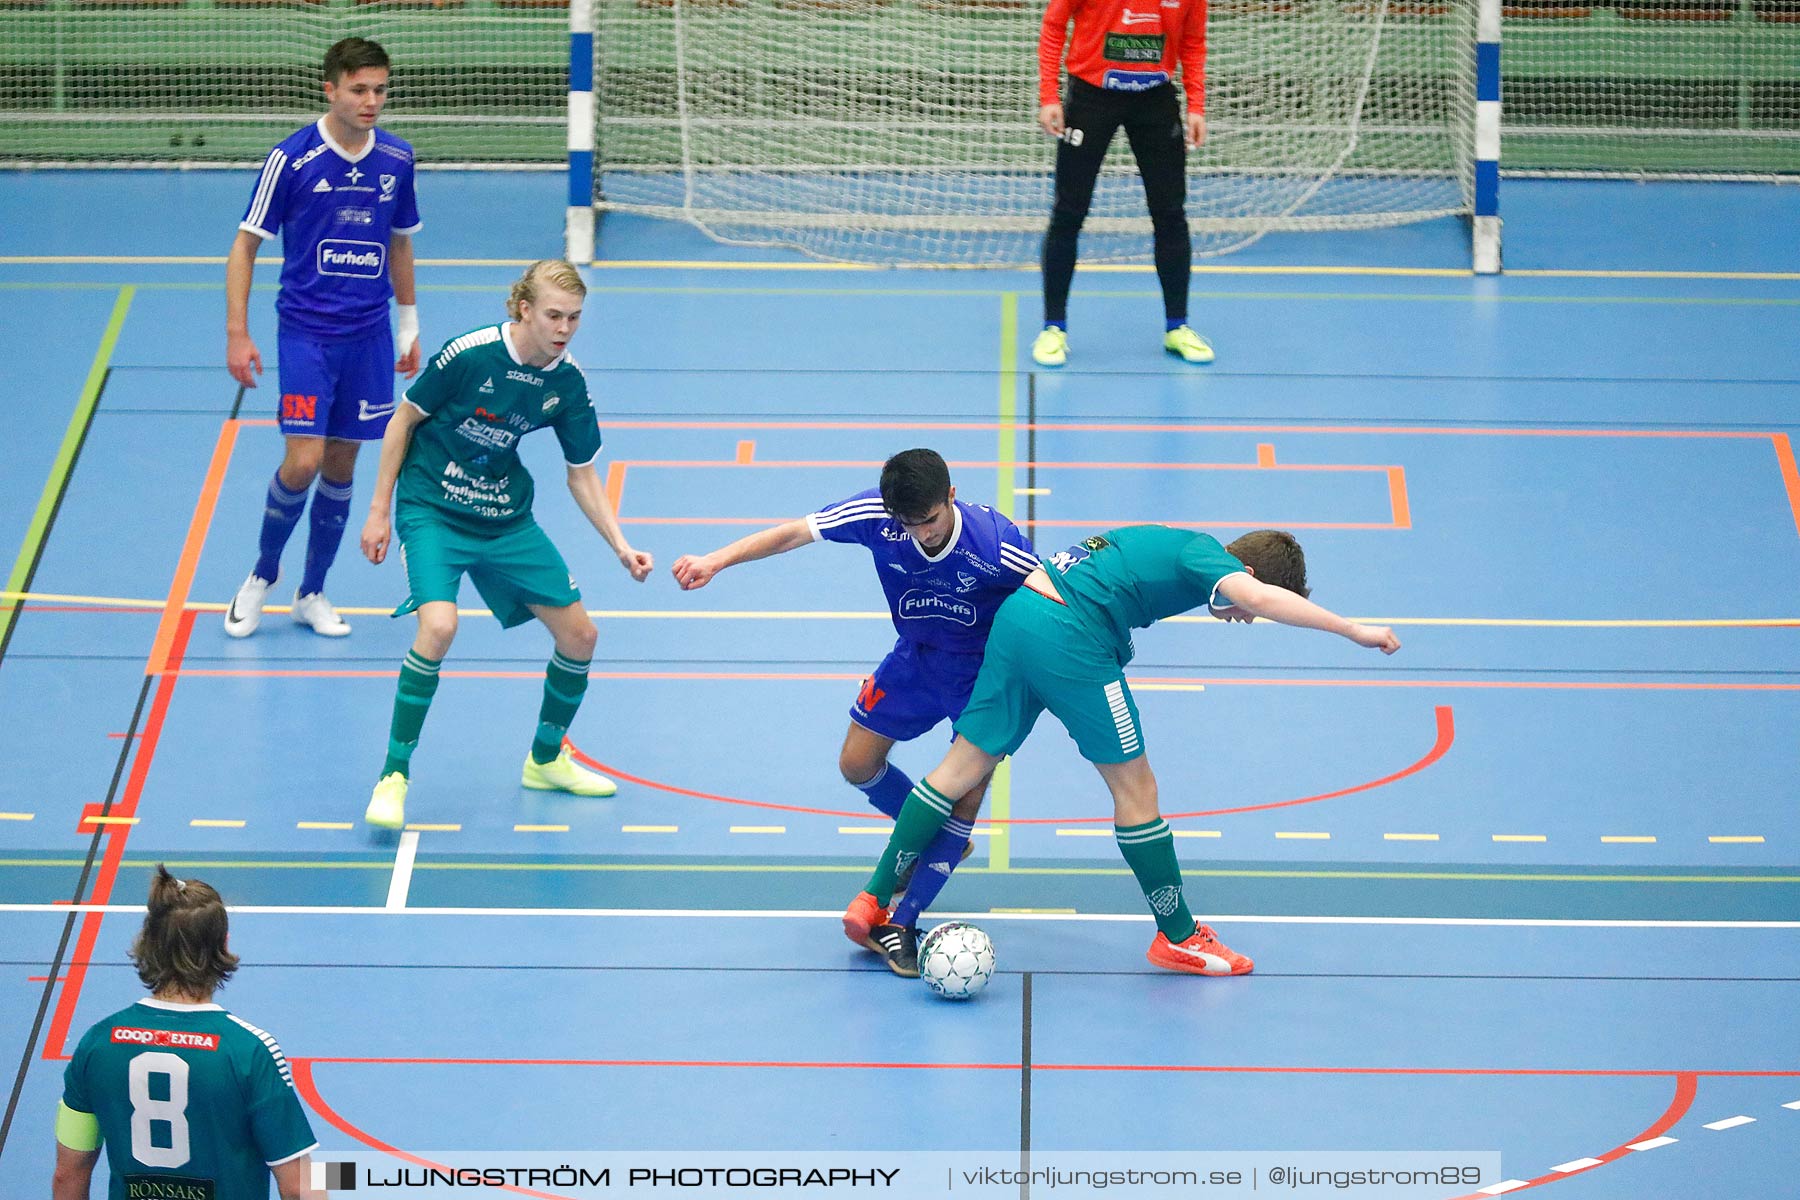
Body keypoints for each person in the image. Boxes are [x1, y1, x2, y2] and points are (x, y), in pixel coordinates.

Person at [842, 525, 1400, 975]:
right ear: (1245, 571)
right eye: (1251, 606)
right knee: (1137, 789)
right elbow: (1254, 595)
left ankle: (874, 904)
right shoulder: (1209, 559)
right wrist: (1354, 631)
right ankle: (1178, 936)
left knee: (959, 769)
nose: (1247, 617)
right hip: (1071, 637)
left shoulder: (1170, 540)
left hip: (1020, 618)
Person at [671, 450, 1039, 972]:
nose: (921, 535)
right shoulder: (877, 517)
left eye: (930, 521)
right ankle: (933, 846)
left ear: (951, 497)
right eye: (908, 524)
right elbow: (795, 532)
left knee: (961, 797)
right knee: (857, 763)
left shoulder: (996, 544)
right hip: (916, 659)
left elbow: (1054, 598)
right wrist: (716, 560)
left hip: (982, 677)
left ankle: (899, 921)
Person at [357, 260, 653, 830]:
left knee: (581, 634)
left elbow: (583, 473)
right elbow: (402, 422)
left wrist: (620, 544)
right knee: (439, 627)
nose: (564, 327)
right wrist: (378, 511)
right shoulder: (468, 355)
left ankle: (544, 760)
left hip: (503, 515)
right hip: (432, 508)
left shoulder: (567, 382)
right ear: (523, 309)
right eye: (553, 315)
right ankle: (393, 777)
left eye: (574, 317)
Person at [224, 36, 423, 640]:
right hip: (306, 333)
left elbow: (401, 241)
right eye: (359, 89)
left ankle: (312, 592)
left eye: (380, 90)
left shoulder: (397, 158)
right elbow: (245, 245)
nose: (371, 101)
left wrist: (408, 323)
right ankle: (260, 577)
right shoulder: (292, 159)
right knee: (304, 459)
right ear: (330, 88)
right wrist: (238, 331)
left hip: (369, 337)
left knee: (342, 465)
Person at [53, 867, 317, 1200]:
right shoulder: (251, 1052)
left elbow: (68, 1175)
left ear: (148, 941)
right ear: (223, 943)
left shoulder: (96, 1044)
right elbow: (298, 1188)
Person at [1030, 0, 1213, 369]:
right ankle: (1054, 328)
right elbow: (1054, 24)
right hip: (1091, 97)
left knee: (1170, 214)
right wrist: (1049, 95)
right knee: (1068, 213)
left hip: (1155, 101)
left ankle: (1177, 326)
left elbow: (1193, 40)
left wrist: (1196, 104)